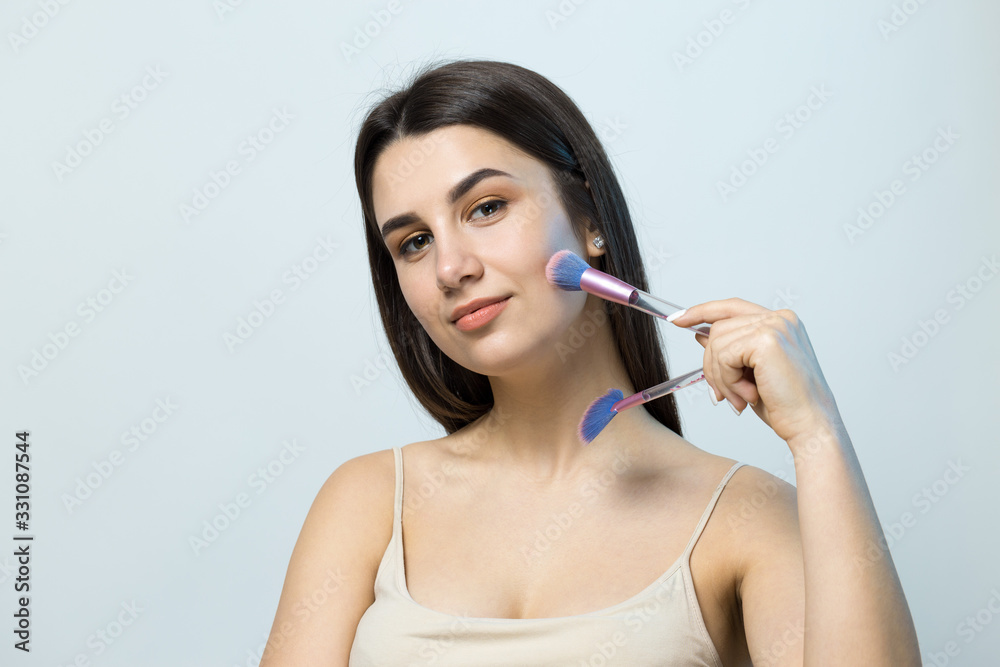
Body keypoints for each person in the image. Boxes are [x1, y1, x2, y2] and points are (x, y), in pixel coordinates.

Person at [259, 59, 921, 666]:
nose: (450, 267)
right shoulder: (368, 502)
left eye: (486, 207)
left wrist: (818, 434)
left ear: (589, 222)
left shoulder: (742, 518)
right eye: (413, 242)